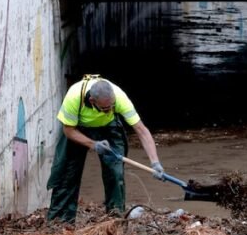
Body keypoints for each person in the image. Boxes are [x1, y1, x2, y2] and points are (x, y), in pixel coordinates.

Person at [47, 75, 164, 223]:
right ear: (92, 101)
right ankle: (61, 222)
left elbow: (141, 130)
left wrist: (155, 162)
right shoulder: (74, 97)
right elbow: (68, 130)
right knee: (67, 175)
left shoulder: (120, 97)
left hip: (109, 128)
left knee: (115, 174)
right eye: (105, 108)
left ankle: (114, 220)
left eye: (112, 107)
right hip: (78, 129)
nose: (109, 110)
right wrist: (93, 144)